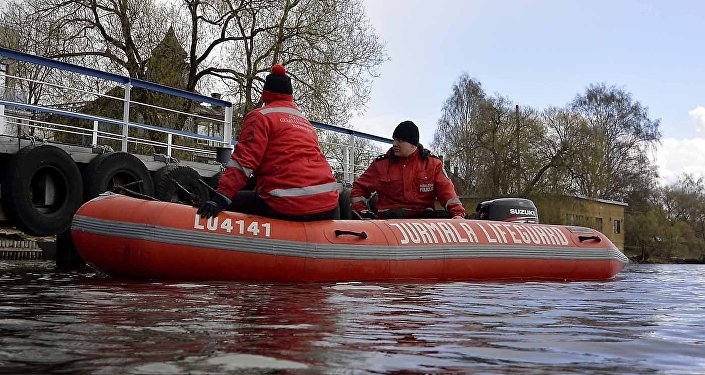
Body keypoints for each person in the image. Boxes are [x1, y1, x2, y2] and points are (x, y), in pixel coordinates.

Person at [198, 64, 339, 221]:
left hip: (288, 204)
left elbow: (243, 161)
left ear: (266, 94)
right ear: (289, 94)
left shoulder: (260, 116)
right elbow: (289, 161)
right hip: (328, 203)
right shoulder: (304, 122)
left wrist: (221, 197)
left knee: (235, 202)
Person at [350, 120, 466, 219]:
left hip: (423, 219)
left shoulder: (433, 164)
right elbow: (359, 188)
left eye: (400, 140)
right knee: (396, 213)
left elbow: (447, 193)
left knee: (443, 216)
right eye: (394, 139)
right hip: (390, 220)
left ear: (413, 144)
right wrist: (362, 212)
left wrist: (458, 214)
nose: (395, 144)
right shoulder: (381, 165)